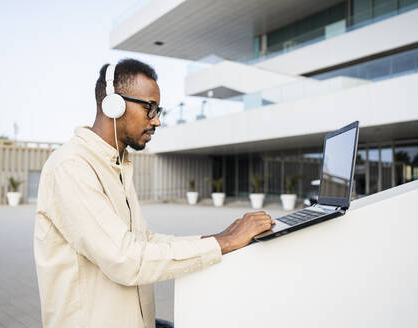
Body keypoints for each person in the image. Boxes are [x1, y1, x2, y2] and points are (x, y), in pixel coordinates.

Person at [33, 58, 274, 328]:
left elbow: (143, 241)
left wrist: (220, 238)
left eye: (158, 110)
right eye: (150, 108)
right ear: (113, 104)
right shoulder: (72, 167)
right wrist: (222, 244)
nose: (157, 121)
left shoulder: (116, 164)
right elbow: (126, 259)